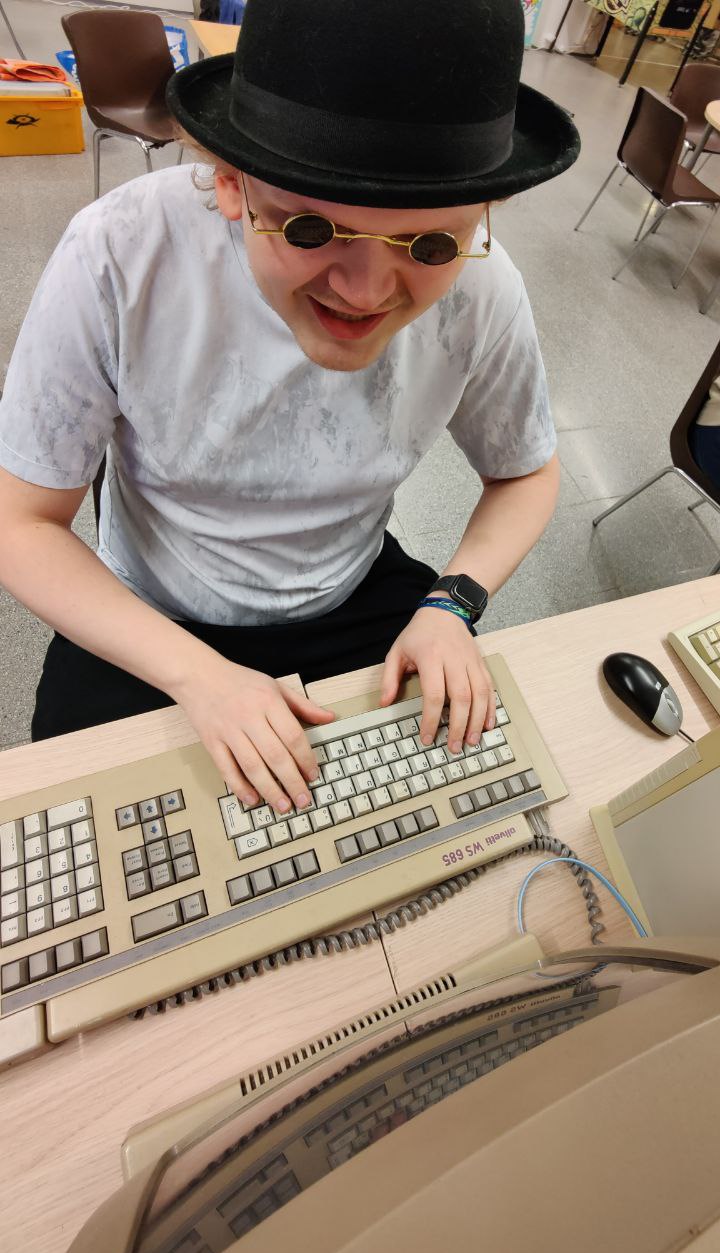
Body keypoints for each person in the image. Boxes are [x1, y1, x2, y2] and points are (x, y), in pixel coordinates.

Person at [0, 0, 579, 817]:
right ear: (229, 181)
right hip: (149, 614)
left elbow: (525, 472)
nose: (365, 292)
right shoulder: (120, 255)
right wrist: (199, 676)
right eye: (310, 228)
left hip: (352, 595)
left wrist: (454, 602)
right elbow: (21, 520)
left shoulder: (485, 290)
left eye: (431, 245)